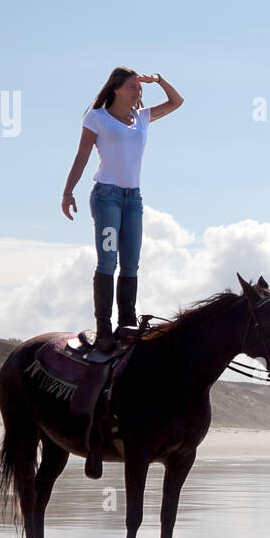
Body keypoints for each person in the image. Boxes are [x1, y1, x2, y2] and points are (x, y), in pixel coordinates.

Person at [61, 66, 183, 351]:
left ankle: (126, 323)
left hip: (133, 200)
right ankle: (104, 328)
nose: (137, 91)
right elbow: (81, 155)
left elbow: (177, 102)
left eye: (138, 88)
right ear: (115, 88)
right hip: (106, 197)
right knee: (107, 262)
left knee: (131, 264)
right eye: (132, 86)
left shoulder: (142, 117)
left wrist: (158, 80)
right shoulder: (97, 118)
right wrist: (68, 191)